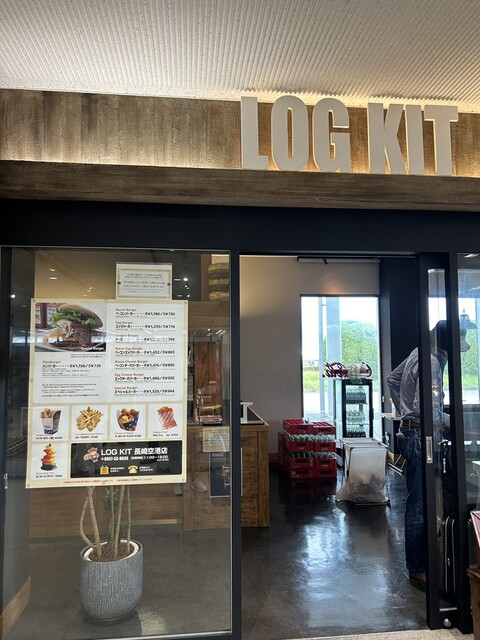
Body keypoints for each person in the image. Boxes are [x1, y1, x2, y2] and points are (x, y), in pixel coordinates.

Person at [386, 320, 472, 587]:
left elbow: (392, 379)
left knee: (419, 500)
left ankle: (420, 562)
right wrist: (451, 420)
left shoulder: (418, 352)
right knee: (420, 504)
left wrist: (405, 409)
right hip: (421, 437)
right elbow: (430, 410)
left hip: (408, 432)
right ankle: (417, 567)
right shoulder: (433, 363)